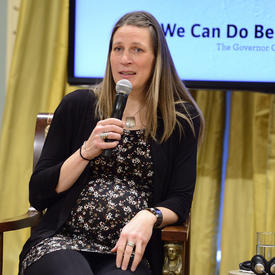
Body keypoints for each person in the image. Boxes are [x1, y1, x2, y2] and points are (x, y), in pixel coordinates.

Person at [19, 10, 204, 275]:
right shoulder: (78, 105)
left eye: (137, 50)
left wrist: (148, 216)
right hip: (62, 241)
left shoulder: (180, 120)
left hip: (128, 249)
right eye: (118, 48)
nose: (125, 59)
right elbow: (38, 193)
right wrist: (86, 151)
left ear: (156, 59)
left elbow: (180, 199)